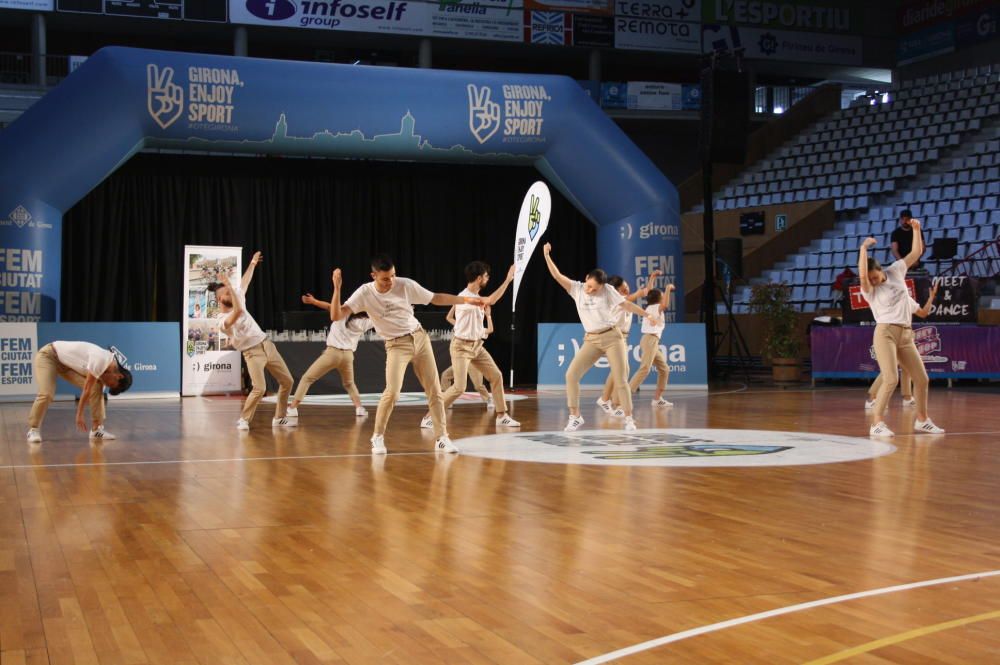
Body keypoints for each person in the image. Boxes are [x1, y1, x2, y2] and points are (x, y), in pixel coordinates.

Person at [331, 255, 487, 455]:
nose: (391, 282)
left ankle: (442, 437)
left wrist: (466, 300)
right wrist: (337, 288)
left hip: (420, 338)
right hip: (396, 345)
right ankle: (377, 437)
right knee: (393, 392)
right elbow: (336, 315)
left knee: (435, 390)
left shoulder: (404, 285)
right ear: (374, 276)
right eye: (385, 278)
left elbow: (435, 298)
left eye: (393, 276)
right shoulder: (364, 293)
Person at [542, 242, 653, 432]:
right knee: (571, 375)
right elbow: (556, 275)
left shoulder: (608, 290)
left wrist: (647, 314)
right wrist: (546, 255)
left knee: (620, 379)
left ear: (602, 286)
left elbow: (626, 305)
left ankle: (628, 419)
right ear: (586, 279)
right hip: (591, 339)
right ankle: (575, 417)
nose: (590, 290)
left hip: (612, 337)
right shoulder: (577, 288)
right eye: (590, 286)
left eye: (595, 289)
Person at [858, 221, 944, 437]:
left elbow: (916, 252)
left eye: (874, 277)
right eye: (869, 280)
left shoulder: (896, 271)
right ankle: (876, 423)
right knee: (890, 378)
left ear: (880, 269)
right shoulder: (870, 290)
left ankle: (922, 420)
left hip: (906, 334)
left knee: (922, 378)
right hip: (885, 332)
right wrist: (863, 249)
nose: (872, 282)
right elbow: (862, 277)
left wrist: (916, 229)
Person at [420, 261, 518, 430]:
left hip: (477, 347)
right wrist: (508, 279)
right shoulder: (465, 297)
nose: (488, 279)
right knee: (459, 387)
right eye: (486, 276)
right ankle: (429, 416)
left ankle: (502, 415)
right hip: (461, 347)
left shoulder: (477, 298)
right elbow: (492, 300)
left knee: (496, 376)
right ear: (479, 278)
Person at [212, 261, 295, 431]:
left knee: (287, 381)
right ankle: (244, 419)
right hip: (252, 353)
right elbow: (237, 313)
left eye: (230, 290)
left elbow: (245, 281)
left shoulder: (238, 298)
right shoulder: (220, 320)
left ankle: (279, 418)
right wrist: (228, 284)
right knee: (260, 387)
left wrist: (252, 263)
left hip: (267, 345)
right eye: (227, 292)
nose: (232, 292)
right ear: (220, 299)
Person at [288, 289, 374, 419]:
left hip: (332, 354)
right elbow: (383, 317)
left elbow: (330, 307)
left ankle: (293, 408)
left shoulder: (343, 312)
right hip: (348, 356)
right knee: (349, 384)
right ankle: (359, 408)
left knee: (307, 378)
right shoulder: (366, 322)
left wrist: (314, 301)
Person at [26, 342, 133, 443]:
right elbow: (87, 389)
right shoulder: (102, 360)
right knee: (46, 393)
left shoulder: (109, 368)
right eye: (112, 385)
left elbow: (94, 391)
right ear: (119, 376)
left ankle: (96, 430)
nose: (108, 385)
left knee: (97, 387)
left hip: (67, 366)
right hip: (49, 356)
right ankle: (33, 430)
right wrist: (79, 414)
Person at [865, 282, 939, 411]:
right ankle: (872, 398)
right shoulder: (885, 299)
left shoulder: (907, 298)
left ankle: (907, 398)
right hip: (889, 335)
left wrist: (931, 298)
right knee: (890, 371)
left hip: (907, 336)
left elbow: (922, 313)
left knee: (907, 368)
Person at [596, 272, 659, 416]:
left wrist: (652, 278)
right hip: (614, 338)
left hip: (621, 338)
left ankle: (605, 399)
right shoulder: (618, 301)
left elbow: (645, 291)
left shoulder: (624, 300)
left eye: (626, 287)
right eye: (623, 289)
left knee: (619, 370)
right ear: (615, 291)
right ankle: (615, 404)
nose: (627, 290)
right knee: (623, 371)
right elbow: (635, 296)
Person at [628, 283, 677, 406]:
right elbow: (665, 304)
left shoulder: (651, 307)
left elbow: (649, 291)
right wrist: (668, 288)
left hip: (651, 341)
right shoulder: (656, 307)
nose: (663, 297)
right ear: (659, 298)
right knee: (645, 368)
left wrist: (653, 278)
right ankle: (625, 396)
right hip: (650, 340)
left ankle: (657, 399)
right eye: (662, 295)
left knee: (664, 369)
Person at [440, 304, 494, 408]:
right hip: (461, 360)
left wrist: (488, 315)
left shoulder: (477, 329)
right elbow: (449, 317)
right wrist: (455, 305)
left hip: (473, 361)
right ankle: (448, 400)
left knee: (478, 385)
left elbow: (490, 330)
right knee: (445, 375)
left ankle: (488, 399)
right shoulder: (460, 326)